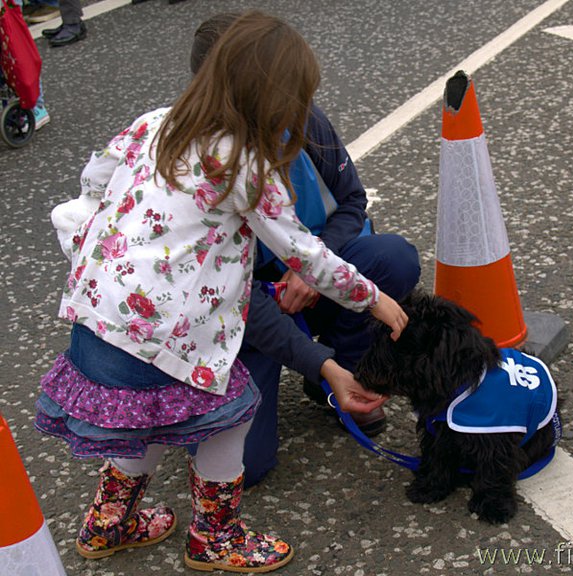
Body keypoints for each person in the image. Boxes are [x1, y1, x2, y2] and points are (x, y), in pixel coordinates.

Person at [36, 10, 407, 574]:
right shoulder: (244, 162)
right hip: (175, 339)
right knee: (230, 418)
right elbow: (304, 253)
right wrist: (374, 299)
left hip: (99, 326)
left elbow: (92, 181)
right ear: (271, 100)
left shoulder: (154, 122)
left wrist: (92, 240)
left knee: (146, 421)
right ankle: (215, 539)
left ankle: (108, 522)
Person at [189, 12, 421, 488]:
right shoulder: (210, 169)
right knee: (246, 469)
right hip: (237, 313)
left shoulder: (303, 120)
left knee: (393, 258)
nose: (295, 108)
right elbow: (232, 299)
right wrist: (315, 356)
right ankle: (308, 372)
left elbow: (351, 201)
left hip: (303, 282)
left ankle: (337, 382)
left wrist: (308, 267)